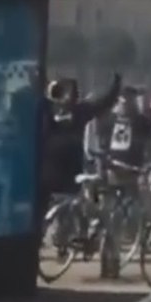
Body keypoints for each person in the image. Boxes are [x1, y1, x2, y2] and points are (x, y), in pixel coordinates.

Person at [41, 74, 121, 217]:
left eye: (70, 91)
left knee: (75, 209)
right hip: (48, 173)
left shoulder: (80, 111)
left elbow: (104, 103)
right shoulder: (45, 111)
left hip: (69, 172)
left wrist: (116, 84)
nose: (65, 97)